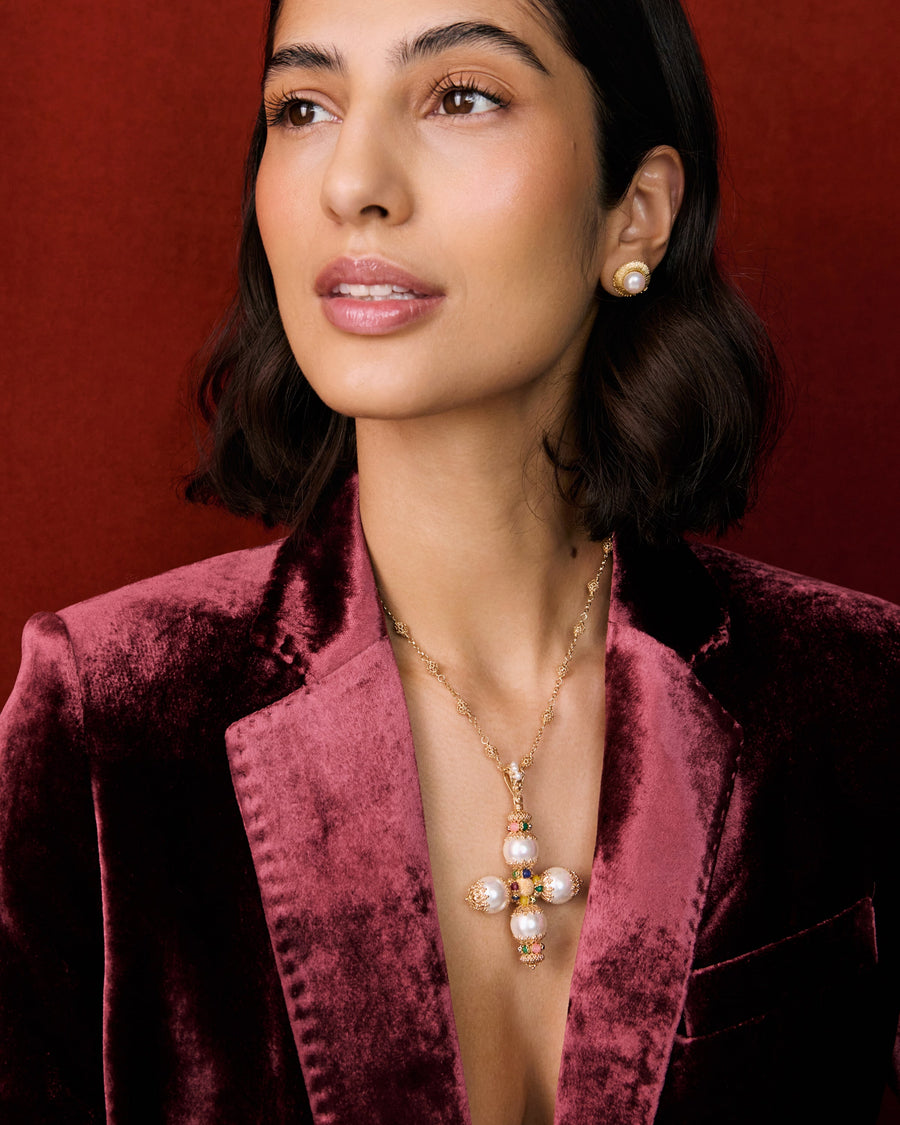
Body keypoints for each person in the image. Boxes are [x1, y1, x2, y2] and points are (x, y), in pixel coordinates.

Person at [1, 0, 897, 1122]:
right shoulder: (112, 713)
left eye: (461, 96)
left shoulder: (856, 696)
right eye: (304, 106)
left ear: (638, 213)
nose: (352, 182)